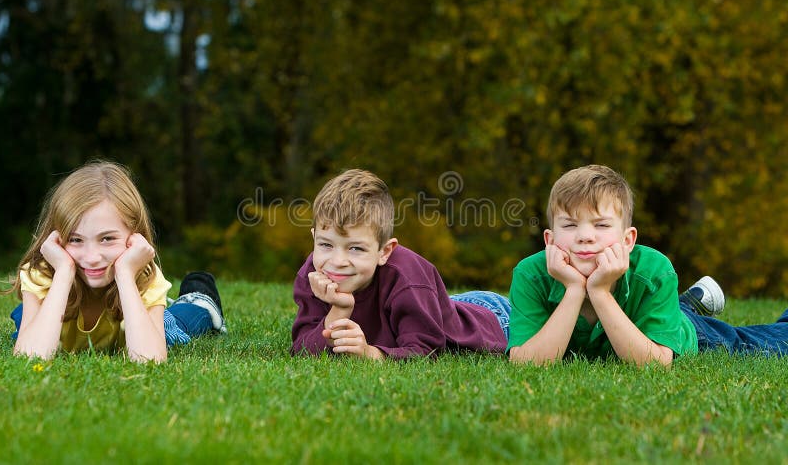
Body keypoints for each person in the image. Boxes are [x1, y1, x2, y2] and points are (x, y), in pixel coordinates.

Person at [507, 164, 788, 367]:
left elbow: (654, 364)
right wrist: (574, 290)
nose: (585, 236)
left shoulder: (653, 270)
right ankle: (688, 302)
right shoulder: (531, 275)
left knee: (752, 344)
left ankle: (686, 309)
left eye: (601, 225)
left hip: (675, 334)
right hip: (643, 312)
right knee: (665, 308)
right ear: (550, 239)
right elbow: (527, 364)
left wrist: (601, 292)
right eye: (569, 225)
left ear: (628, 240)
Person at [8, 160, 226, 363]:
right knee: (25, 318)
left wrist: (124, 273)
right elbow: (30, 356)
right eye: (75, 239)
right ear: (57, 239)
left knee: (176, 325)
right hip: (59, 308)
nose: (92, 258)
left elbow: (149, 359)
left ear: (135, 236)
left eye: (107, 238)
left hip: (139, 324)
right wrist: (64, 272)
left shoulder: (140, 275)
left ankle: (199, 297)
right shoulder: (44, 273)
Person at [291, 169, 508, 359]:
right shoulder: (313, 273)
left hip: (494, 316)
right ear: (314, 238)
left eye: (356, 248)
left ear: (384, 251)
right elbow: (302, 351)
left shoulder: (406, 278)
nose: (337, 262)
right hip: (432, 304)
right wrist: (339, 310)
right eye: (326, 245)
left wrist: (371, 353)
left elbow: (427, 350)